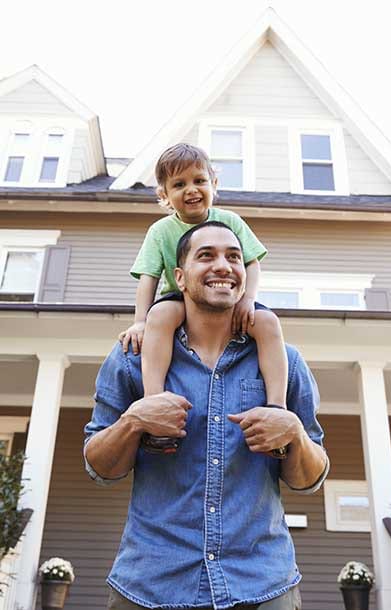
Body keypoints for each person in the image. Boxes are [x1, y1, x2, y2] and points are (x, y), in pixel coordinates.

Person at [84, 222, 329, 610]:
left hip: (262, 585)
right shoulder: (133, 358)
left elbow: (310, 478)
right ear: (179, 277)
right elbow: (99, 466)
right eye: (206, 255)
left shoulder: (284, 361)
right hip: (150, 586)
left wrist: (294, 434)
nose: (223, 265)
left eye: (234, 257)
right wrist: (134, 421)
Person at [119, 143, 288, 428]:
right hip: (179, 297)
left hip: (228, 296)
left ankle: (277, 405)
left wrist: (248, 299)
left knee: (268, 322)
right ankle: (154, 399)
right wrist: (139, 322)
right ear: (164, 194)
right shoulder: (160, 231)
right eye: (179, 184)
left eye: (199, 181)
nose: (191, 190)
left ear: (214, 184)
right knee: (159, 317)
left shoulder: (230, 221)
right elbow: (148, 277)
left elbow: (251, 263)